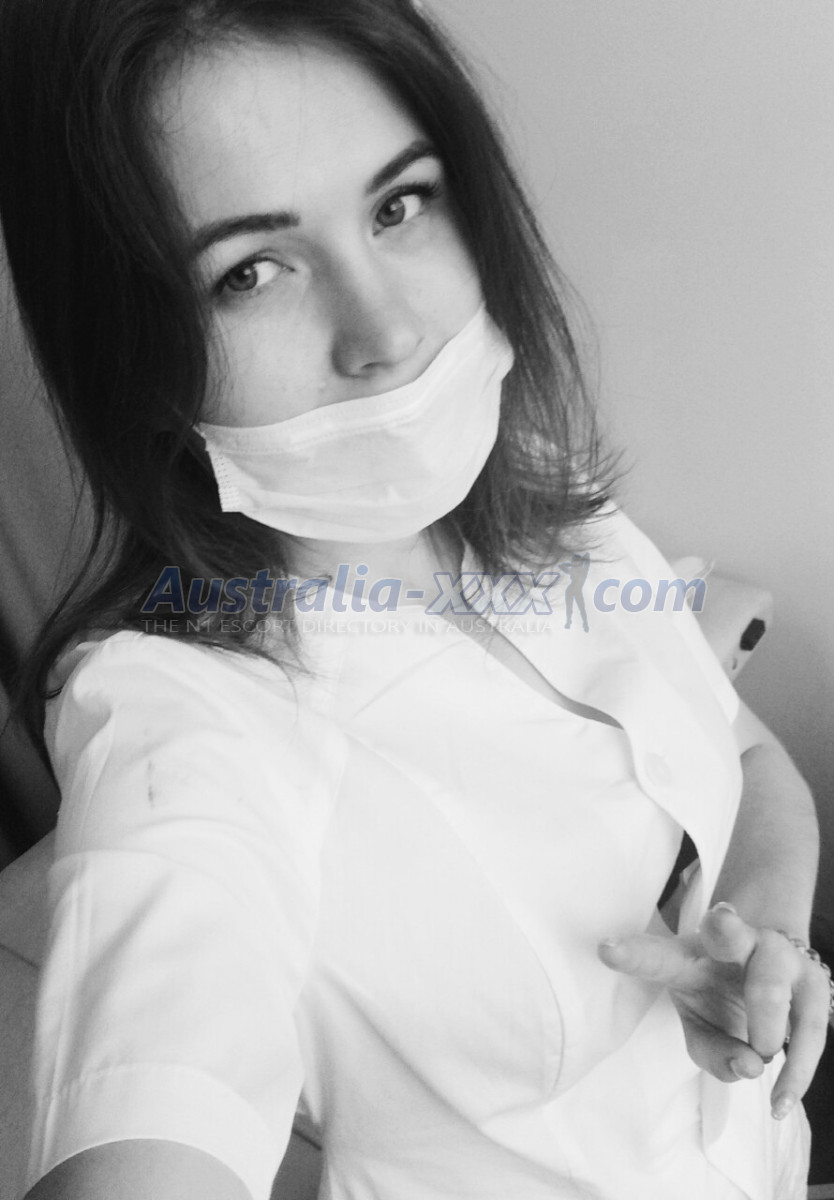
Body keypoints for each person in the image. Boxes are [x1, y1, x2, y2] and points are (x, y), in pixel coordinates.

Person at [0, 1, 829, 1197]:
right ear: (131, 353)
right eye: (250, 272)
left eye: (399, 205)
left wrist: (764, 938)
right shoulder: (178, 723)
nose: (386, 329)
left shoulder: (546, 496)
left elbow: (747, 756)